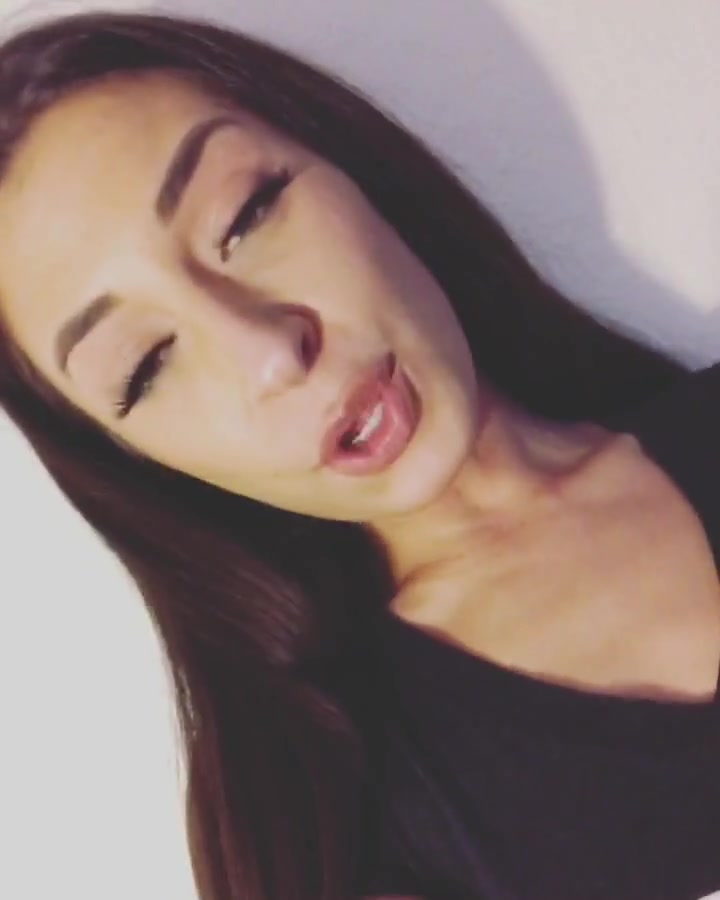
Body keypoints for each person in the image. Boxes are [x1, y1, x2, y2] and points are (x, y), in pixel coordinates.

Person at [0, 10, 718, 900]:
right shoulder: (344, 832)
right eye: (146, 365)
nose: (268, 353)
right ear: (136, 461)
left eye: (246, 214)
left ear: (353, 170)